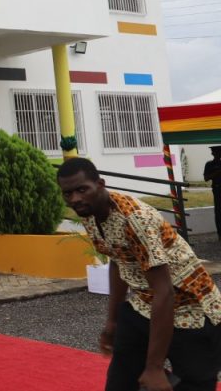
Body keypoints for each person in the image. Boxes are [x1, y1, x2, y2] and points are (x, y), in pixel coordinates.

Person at [57, 158, 221, 391]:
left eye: (82, 190)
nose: (75, 199)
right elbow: (118, 260)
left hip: (192, 309)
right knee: (121, 379)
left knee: (194, 383)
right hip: (145, 305)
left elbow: (165, 292)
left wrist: (154, 367)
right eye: (68, 193)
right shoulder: (90, 213)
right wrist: (112, 321)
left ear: (100, 184)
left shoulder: (135, 220)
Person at [203, 145, 221, 241]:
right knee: (218, 212)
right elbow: (206, 178)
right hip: (217, 190)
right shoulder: (209, 164)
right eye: (215, 152)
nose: (217, 154)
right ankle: (220, 234)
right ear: (213, 153)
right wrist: (217, 172)